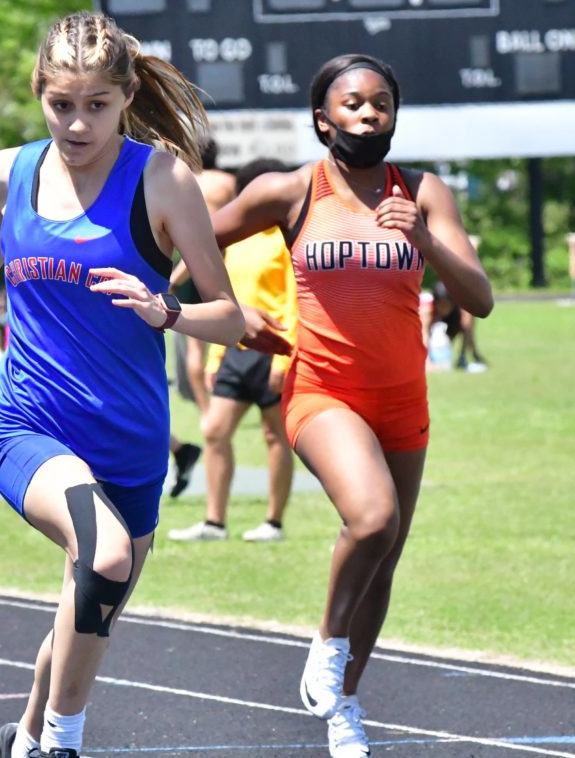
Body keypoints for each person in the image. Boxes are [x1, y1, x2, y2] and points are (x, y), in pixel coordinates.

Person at [0, 11, 244, 758]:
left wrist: (166, 311)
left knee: (84, 617)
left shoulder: (164, 181)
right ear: (38, 91)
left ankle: (27, 738)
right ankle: (63, 746)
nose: (77, 124)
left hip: (131, 444)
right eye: (60, 104)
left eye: (96, 105)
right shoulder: (6, 173)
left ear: (127, 96)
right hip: (31, 426)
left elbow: (231, 318)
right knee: (103, 561)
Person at [211, 54, 493, 757]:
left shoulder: (424, 191)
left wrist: (424, 238)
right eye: (354, 103)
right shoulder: (290, 190)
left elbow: (480, 298)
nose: (369, 114)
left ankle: (344, 709)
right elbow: (188, 241)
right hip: (322, 390)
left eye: (381, 103)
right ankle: (327, 646)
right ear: (323, 119)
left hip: (402, 399)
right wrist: (229, 311)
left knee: (383, 558)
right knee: (372, 519)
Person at [168, 158, 297, 543]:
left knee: (275, 436)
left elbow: (294, 301)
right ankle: (214, 522)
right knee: (215, 431)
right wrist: (215, 357)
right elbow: (227, 302)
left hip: (275, 348)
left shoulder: (286, 238)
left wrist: (283, 360)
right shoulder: (238, 239)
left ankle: (274, 523)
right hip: (236, 349)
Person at [163, 138, 238, 498]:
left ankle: (207, 411)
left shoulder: (183, 180)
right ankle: (219, 405)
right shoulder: (227, 183)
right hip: (223, 264)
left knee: (193, 346)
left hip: (189, 264)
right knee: (227, 334)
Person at [419, 280, 487, 372]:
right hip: (422, 330)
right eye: (441, 305)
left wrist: (474, 353)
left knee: (468, 319)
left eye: (446, 305)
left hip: (451, 323)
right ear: (435, 302)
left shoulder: (461, 306)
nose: (443, 309)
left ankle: (462, 357)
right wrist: (427, 362)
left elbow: (468, 328)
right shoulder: (426, 307)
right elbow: (424, 332)